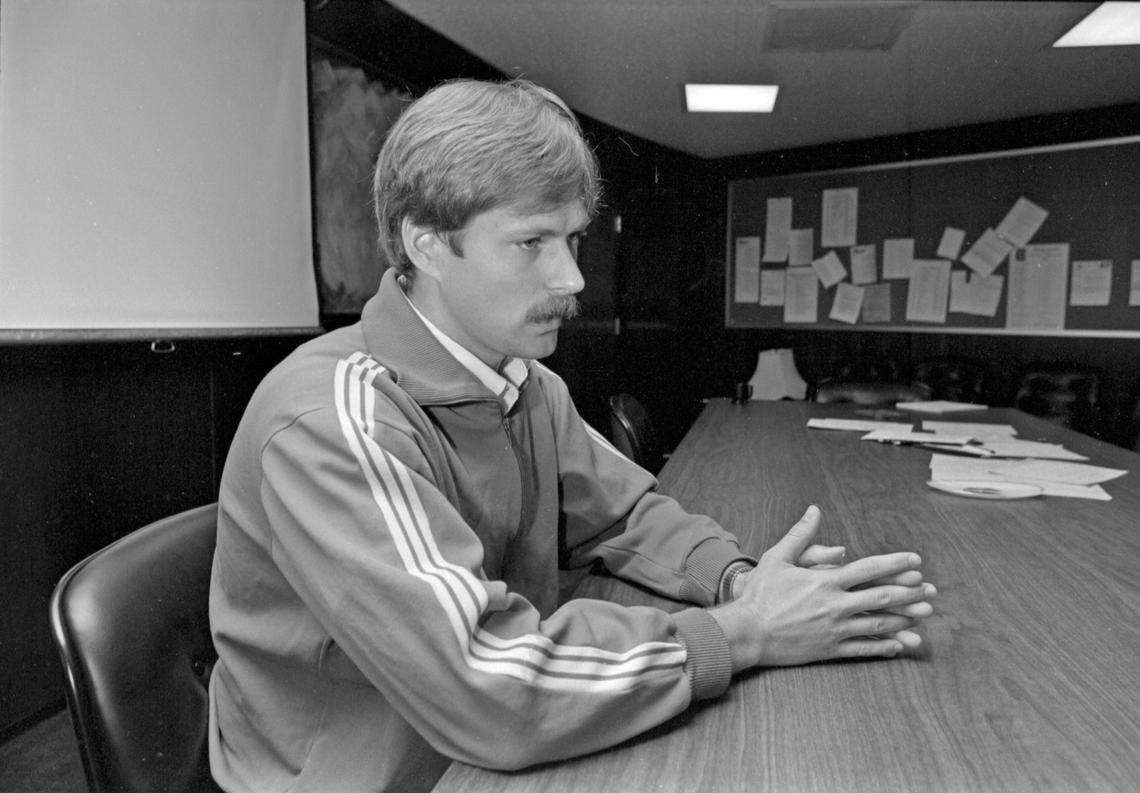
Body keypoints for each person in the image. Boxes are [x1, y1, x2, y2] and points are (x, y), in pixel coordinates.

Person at [208, 78, 934, 793]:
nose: (572, 276)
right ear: (426, 244)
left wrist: (743, 579)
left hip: (481, 743)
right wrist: (749, 631)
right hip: (375, 772)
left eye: (572, 237)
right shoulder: (332, 420)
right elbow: (485, 682)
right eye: (531, 241)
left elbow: (625, 513)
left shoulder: (525, 382)